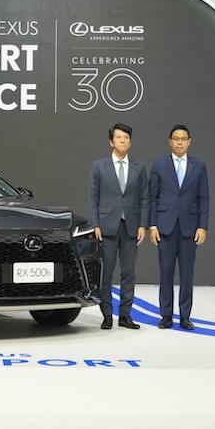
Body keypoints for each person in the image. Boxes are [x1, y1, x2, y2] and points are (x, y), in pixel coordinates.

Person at [149, 124, 210, 330]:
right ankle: (166, 316)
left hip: (189, 228)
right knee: (165, 274)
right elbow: (152, 197)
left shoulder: (199, 166)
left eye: (183, 139)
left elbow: (204, 198)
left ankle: (185, 316)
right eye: (176, 138)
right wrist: (152, 225)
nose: (180, 142)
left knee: (187, 275)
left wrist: (202, 226)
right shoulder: (159, 165)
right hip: (165, 227)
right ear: (170, 141)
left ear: (189, 141)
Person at [88, 123, 149, 330]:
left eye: (126, 137)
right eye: (119, 137)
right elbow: (93, 197)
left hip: (131, 226)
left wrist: (143, 225)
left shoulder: (139, 167)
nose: (122, 140)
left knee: (129, 273)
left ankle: (125, 315)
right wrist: (95, 224)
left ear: (130, 142)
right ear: (111, 142)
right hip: (107, 226)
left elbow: (144, 198)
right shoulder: (99, 166)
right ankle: (107, 315)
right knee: (106, 274)